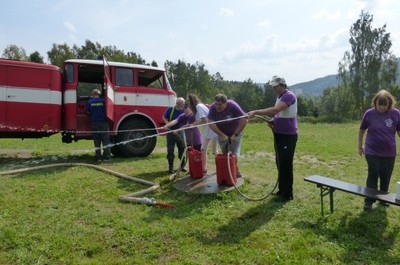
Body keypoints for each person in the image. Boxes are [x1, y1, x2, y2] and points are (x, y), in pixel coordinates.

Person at [247, 75, 298, 202]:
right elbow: (280, 114)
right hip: (279, 133)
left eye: (275, 87)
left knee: (285, 164)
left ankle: (287, 194)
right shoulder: (280, 96)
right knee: (280, 162)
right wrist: (273, 121)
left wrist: (256, 112)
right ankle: (282, 190)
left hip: (288, 135)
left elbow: (276, 110)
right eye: (273, 87)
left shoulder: (289, 96)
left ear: (283, 85)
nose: (273, 89)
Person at [358, 89, 400, 211]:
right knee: (373, 173)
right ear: (375, 103)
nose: (381, 107)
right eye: (379, 104)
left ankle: (383, 199)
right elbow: (362, 130)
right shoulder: (369, 113)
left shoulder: (396, 114)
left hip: (389, 152)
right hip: (372, 151)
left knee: (385, 176)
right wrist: (360, 146)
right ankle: (369, 201)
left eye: (384, 105)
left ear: (389, 104)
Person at [208, 94, 248, 177]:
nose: (217, 107)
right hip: (221, 132)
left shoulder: (233, 105)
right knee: (225, 154)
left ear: (226, 104)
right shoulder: (212, 108)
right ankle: (228, 171)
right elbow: (211, 123)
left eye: (220, 104)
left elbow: (244, 119)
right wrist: (222, 135)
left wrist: (235, 135)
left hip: (236, 131)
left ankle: (235, 171)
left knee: (233, 153)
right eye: (216, 104)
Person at [185, 94, 218, 174]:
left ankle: (219, 168)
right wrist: (192, 124)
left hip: (213, 130)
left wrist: (193, 125)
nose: (187, 103)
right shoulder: (198, 107)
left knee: (214, 151)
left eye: (188, 101)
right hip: (207, 130)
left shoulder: (198, 106)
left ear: (192, 101)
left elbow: (204, 120)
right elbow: (201, 120)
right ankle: (204, 168)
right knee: (203, 149)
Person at [86, 88, 110, 162]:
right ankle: (106, 157)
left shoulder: (90, 102)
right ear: (99, 94)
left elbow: (88, 112)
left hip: (94, 123)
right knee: (105, 140)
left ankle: (98, 158)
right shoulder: (103, 101)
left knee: (97, 141)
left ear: (93, 95)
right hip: (103, 123)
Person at [162, 97, 185, 173]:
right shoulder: (171, 109)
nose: (177, 105)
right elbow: (164, 117)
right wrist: (167, 124)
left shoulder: (185, 111)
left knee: (182, 148)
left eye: (179, 103)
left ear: (183, 104)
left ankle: (182, 166)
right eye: (177, 103)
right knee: (170, 149)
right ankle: (171, 167)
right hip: (170, 132)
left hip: (180, 132)